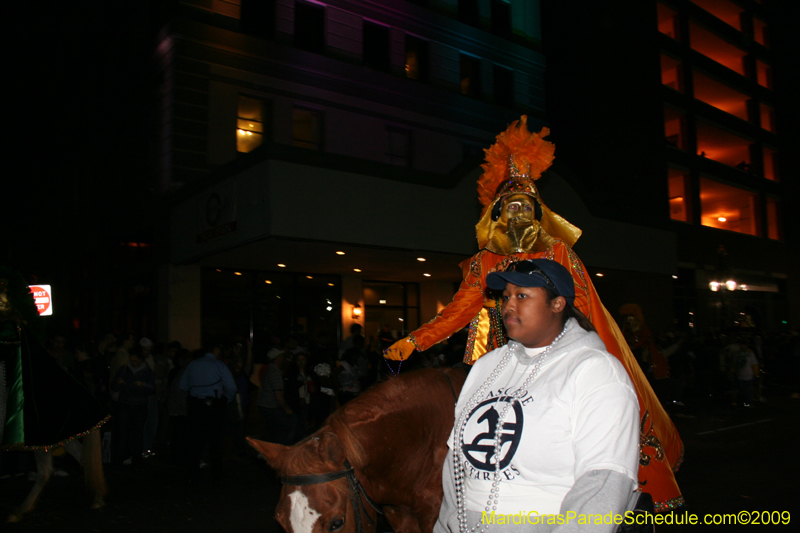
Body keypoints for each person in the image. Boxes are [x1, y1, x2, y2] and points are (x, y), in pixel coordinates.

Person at [385, 117, 683, 511]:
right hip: (500, 357)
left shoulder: (557, 252)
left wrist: (590, 354)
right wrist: (414, 341)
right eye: (512, 207)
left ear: (538, 213)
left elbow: (582, 304)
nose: (519, 214)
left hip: (555, 349)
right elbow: (458, 310)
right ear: (498, 214)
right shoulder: (484, 261)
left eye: (527, 207)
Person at [435, 259, 640, 533]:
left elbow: (605, 480)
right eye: (505, 296)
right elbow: (456, 463)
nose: (508, 306)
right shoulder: (487, 366)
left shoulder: (595, 370)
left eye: (522, 296)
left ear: (557, 304)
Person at [179, 338, 237, 480]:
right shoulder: (219, 365)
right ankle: (217, 472)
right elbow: (231, 387)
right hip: (214, 405)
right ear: (215, 350)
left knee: (196, 440)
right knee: (215, 441)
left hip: (196, 405)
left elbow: (183, 385)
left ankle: (193, 471)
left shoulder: (193, 364)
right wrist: (225, 400)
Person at [110, 346, 155, 468]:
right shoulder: (124, 369)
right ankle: (120, 460)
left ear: (140, 359)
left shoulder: (146, 371)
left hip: (139, 405)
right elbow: (114, 386)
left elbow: (151, 389)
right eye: (131, 360)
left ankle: (136, 460)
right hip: (125, 404)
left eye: (135, 360)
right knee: (123, 433)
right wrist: (119, 383)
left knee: (137, 434)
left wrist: (142, 385)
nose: (133, 363)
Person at [256, 347, 295, 445]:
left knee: (271, 430)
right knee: (285, 428)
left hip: (265, 405)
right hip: (269, 406)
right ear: (278, 358)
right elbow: (278, 395)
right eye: (282, 357)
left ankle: (265, 449)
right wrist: (287, 409)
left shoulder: (271, 370)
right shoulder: (274, 373)